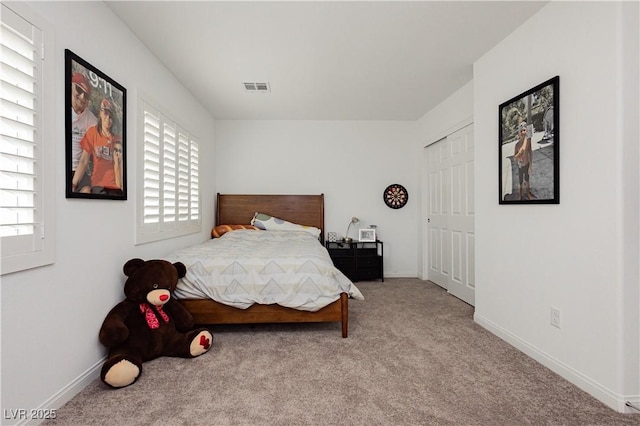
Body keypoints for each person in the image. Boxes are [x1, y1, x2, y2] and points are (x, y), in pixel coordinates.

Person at [72, 98, 123, 196]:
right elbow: (83, 161)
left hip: (116, 187)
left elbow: (121, 166)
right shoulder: (92, 133)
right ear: (100, 113)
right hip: (98, 186)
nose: (108, 118)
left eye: (110, 116)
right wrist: (73, 184)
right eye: (105, 113)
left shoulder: (117, 139)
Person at [70, 72, 97, 192]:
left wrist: (73, 184)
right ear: (71, 87)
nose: (82, 97)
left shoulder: (92, 120)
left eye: (86, 95)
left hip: (78, 170)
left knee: (86, 191)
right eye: (79, 90)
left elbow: (85, 159)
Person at [514, 121, 535, 200]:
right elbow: (515, 157)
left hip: (526, 165)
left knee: (527, 180)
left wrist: (530, 166)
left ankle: (528, 193)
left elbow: (530, 153)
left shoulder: (528, 142)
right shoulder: (517, 145)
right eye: (521, 130)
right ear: (519, 133)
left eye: (524, 130)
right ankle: (520, 195)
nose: (523, 132)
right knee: (520, 182)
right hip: (520, 166)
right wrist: (518, 157)